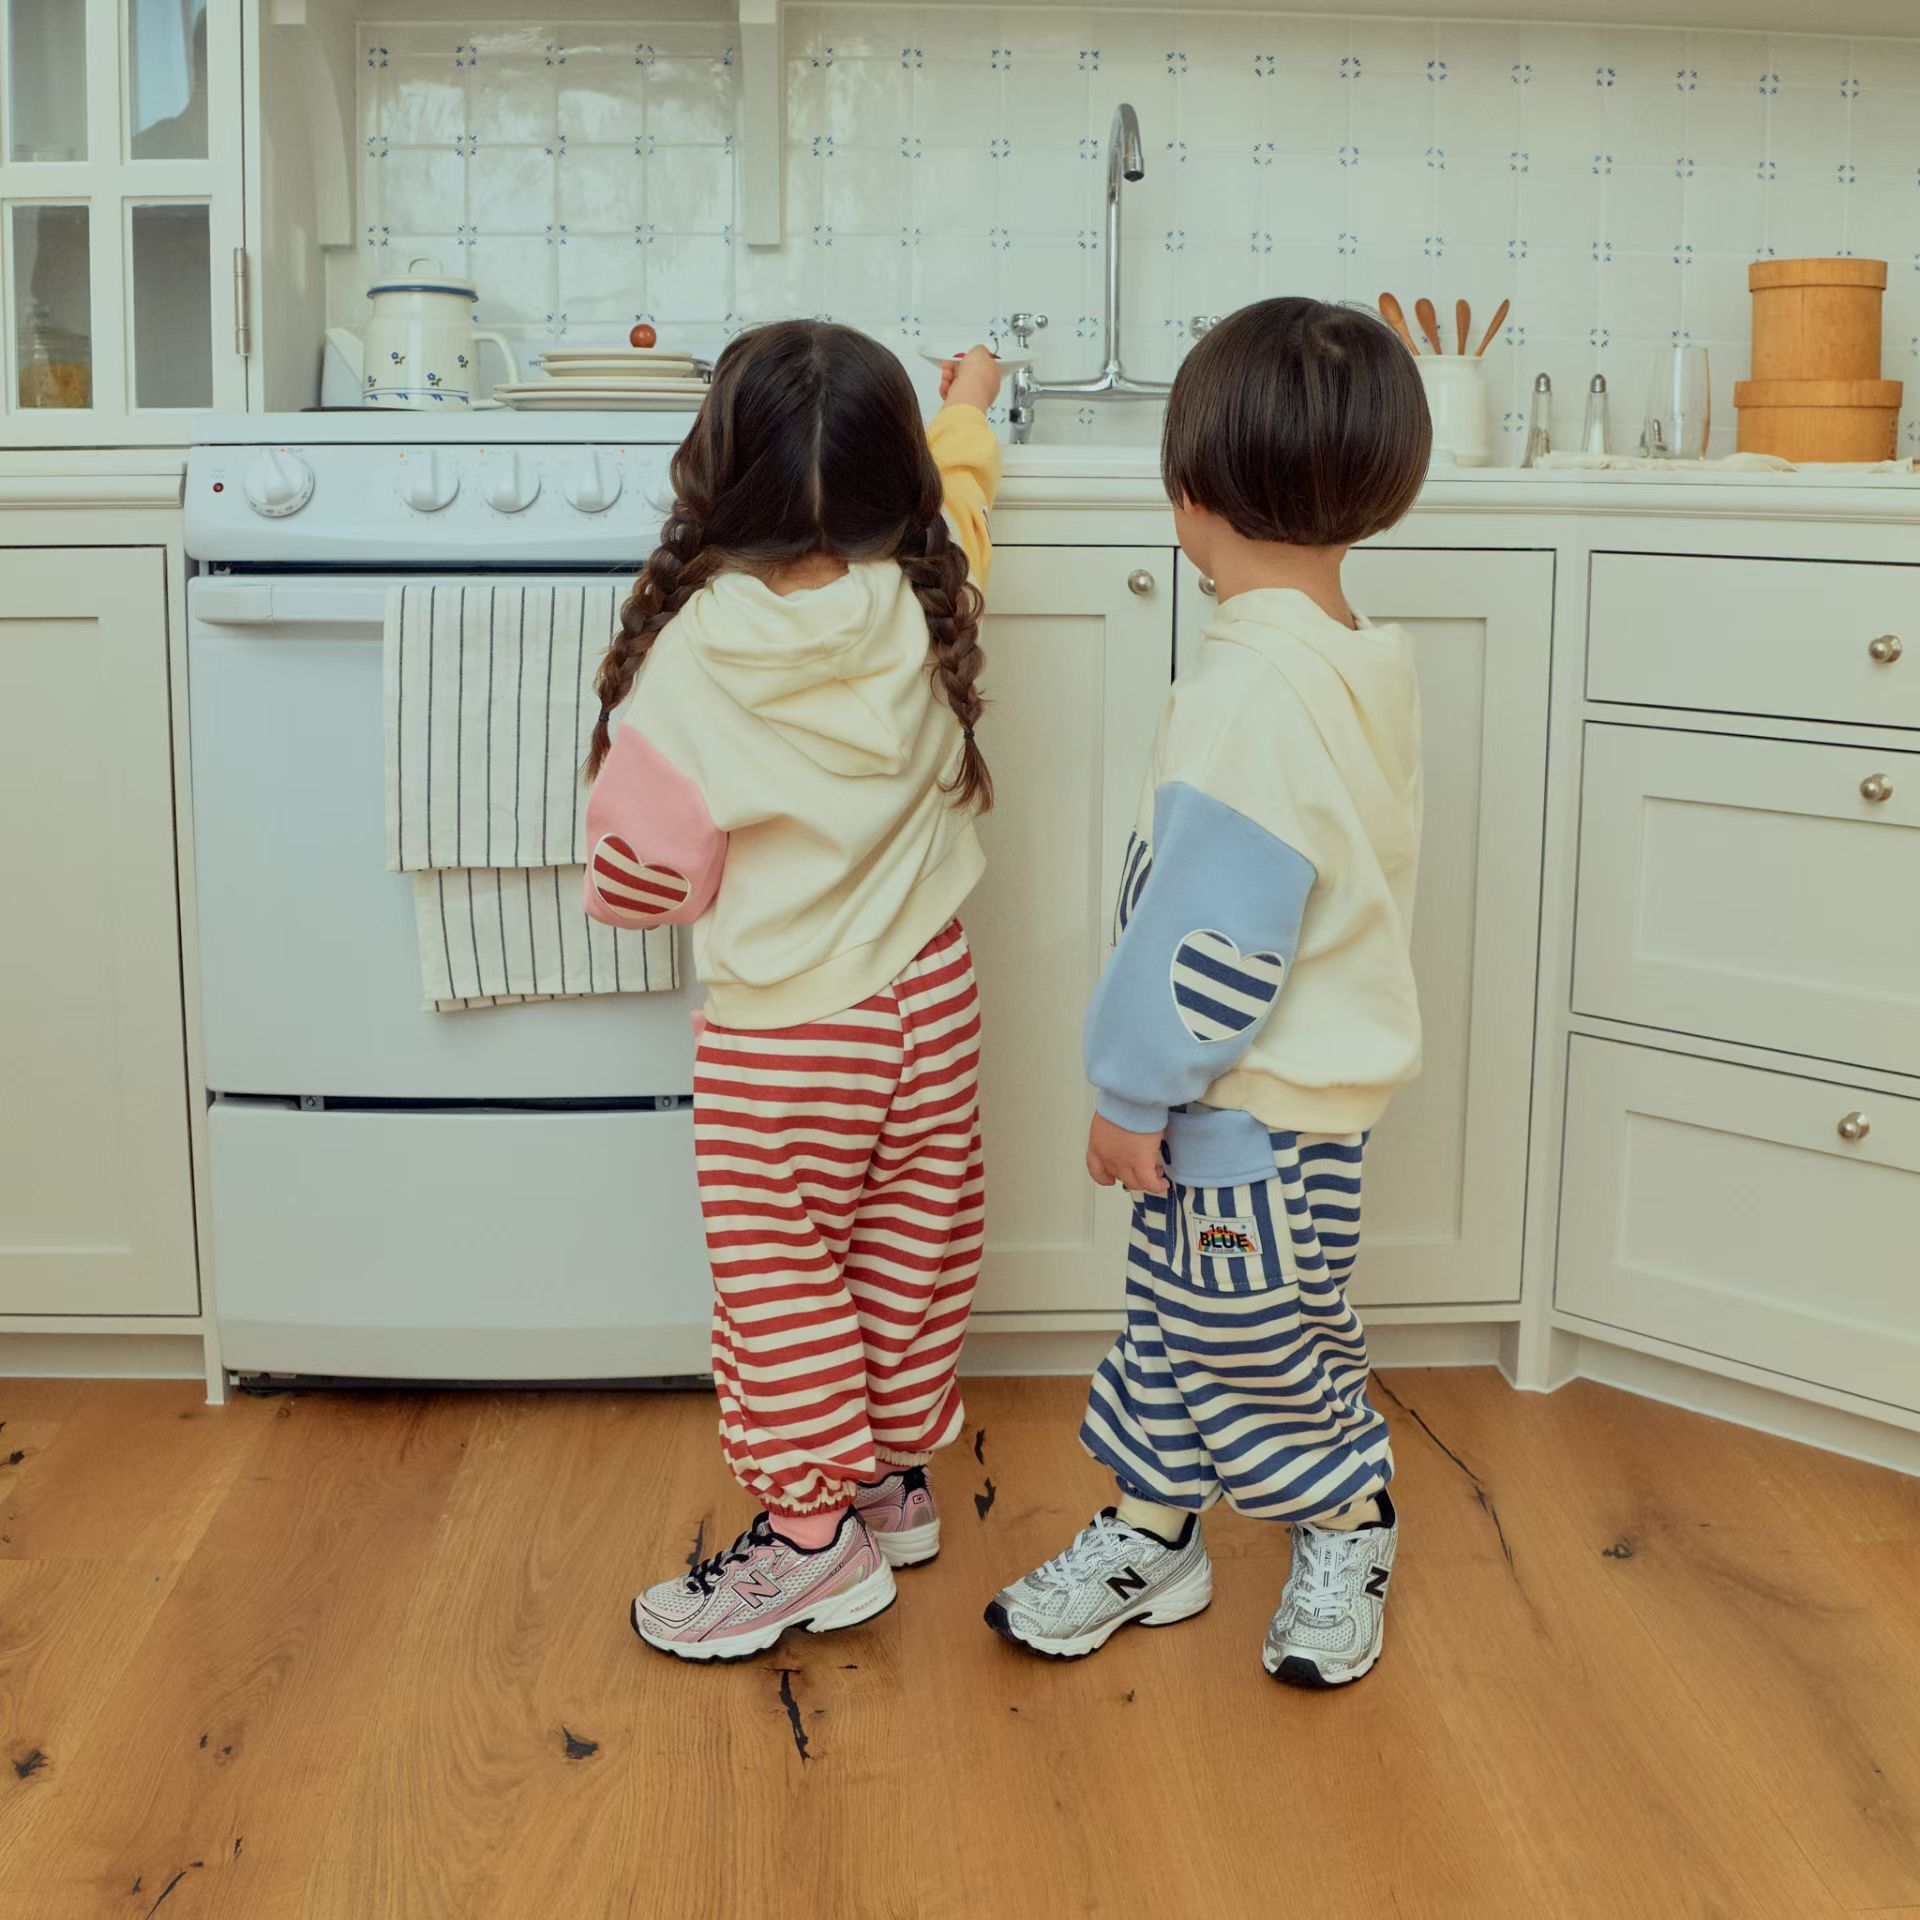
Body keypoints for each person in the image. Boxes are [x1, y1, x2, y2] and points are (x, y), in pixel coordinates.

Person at [985, 297, 1431, 1687]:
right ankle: (1154, 1528)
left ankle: (1349, 1516)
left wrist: (1134, 1088)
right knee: (1179, 1321)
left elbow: (1211, 938)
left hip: (1249, 1102)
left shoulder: (1251, 690)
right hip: (1261, 1099)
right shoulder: (1349, 654)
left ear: (1189, 496)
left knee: (1251, 1334)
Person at [582, 322, 1003, 1661]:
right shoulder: (932, 590)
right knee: (907, 1246)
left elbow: (644, 878)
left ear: (718, 474)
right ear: (897, 483)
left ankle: (814, 1541)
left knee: (783, 1287)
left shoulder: (692, 662)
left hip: (787, 1038)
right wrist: (969, 406)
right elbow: (968, 494)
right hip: (933, 1001)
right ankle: (889, 1486)